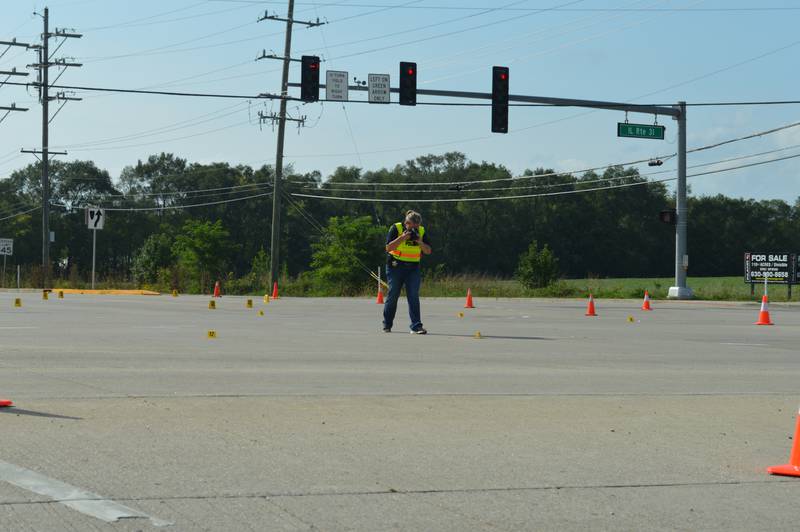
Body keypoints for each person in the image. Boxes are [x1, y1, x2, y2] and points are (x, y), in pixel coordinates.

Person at [382, 210, 432, 334]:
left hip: (413, 268)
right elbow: (388, 248)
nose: (414, 229)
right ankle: (387, 325)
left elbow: (428, 251)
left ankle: (416, 326)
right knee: (393, 294)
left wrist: (420, 241)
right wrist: (403, 237)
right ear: (406, 223)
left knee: (413, 295)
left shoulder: (421, 231)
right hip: (395, 266)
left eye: (417, 227)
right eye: (412, 227)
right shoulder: (396, 228)